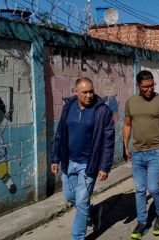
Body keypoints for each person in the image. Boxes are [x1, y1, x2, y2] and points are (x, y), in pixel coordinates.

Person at [50, 77, 115, 240]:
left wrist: (104, 167)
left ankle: (78, 236)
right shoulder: (69, 106)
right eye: (85, 92)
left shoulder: (102, 111)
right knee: (69, 196)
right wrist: (55, 158)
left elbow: (108, 141)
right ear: (76, 92)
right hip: (68, 161)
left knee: (81, 202)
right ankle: (93, 211)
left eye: (91, 91)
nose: (89, 95)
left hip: (88, 165)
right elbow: (60, 134)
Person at [123, 70, 159, 239]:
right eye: (145, 86)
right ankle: (141, 222)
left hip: (157, 151)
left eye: (152, 86)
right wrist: (125, 146)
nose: (149, 89)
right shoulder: (131, 102)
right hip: (138, 152)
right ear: (138, 85)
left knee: (153, 187)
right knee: (139, 190)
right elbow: (127, 125)